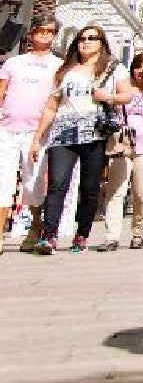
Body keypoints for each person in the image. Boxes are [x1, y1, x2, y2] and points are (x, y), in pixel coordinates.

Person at [27, 24, 133, 253]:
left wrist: (109, 96)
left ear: (101, 43)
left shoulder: (114, 69)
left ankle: (82, 234)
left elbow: (128, 95)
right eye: (81, 38)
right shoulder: (66, 70)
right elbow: (51, 107)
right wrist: (38, 138)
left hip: (94, 133)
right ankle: (49, 235)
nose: (85, 42)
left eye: (92, 38)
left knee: (90, 187)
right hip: (63, 132)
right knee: (56, 183)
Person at [96, 52, 143, 250]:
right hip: (121, 142)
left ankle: (138, 232)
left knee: (140, 192)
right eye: (138, 67)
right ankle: (111, 236)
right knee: (115, 190)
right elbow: (112, 102)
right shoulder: (123, 85)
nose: (141, 72)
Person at [0, 16, 61, 253]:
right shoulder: (14, 63)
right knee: (3, 182)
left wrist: (41, 133)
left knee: (33, 184)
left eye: (50, 31)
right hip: (7, 129)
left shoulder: (59, 65)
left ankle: (36, 227)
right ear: (32, 33)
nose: (45, 35)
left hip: (38, 133)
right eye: (41, 30)